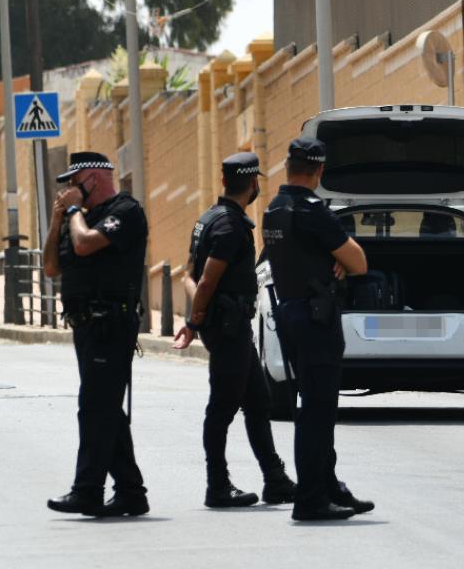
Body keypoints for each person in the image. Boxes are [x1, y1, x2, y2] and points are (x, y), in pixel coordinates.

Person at [172, 152, 296, 509]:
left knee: (258, 402)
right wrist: (195, 321)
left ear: (225, 181)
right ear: (254, 183)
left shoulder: (208, 219)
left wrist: (200, 317)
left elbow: (188, 276)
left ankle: (275, 479)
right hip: (228, 329)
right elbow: (207, 281)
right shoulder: (230, 227)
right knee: (222, 408)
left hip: (228, 326)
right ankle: (217, 485)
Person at [262, 137, 375, 522]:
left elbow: (300, 256)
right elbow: (359, 262)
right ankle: (311, 499)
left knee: (315, 407)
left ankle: (329, 487)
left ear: (287, 166)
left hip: (291, 313)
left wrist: (330, 258)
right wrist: (337, 259)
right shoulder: (312, 211)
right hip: (315, 318)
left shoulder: (275, 209)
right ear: (320, 171)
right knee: (317, 411)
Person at [43, 152, 151, 518]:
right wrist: (57, 219)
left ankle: (87, 491)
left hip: (111, 323)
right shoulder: (77, 219)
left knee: (94, 407)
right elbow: (50, 267)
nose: (70, 190)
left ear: (94, 178)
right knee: (106, 409)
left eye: (75, 182)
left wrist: (74, 212)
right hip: (84, 325)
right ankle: (131, 493)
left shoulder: (125, 211)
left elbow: (86, 244)